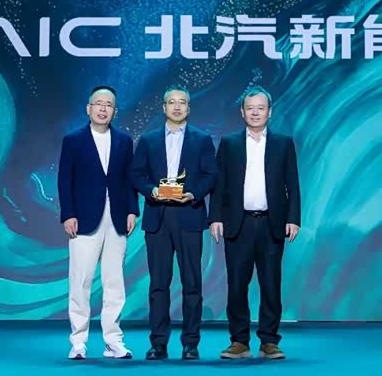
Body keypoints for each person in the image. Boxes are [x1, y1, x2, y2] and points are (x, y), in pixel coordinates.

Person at [208, 85, 301, 360]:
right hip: (239, 224)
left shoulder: (283, 143)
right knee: (237, 285)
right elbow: (219, 184)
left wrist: (293, 218)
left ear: (270, 112)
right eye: (250, 108)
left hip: (272, 223)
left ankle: (269, 341)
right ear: (242, 112)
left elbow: (293, 185)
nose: (256, 112)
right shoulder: (229, 143)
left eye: (261, 108)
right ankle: (239, 341)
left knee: (271, 284)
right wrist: (215, 217)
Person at [130, 85, 218, 360]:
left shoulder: (202, 139)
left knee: (192, 283)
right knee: (159, 284)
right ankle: (158, 343)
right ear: (164, 107)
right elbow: (136, 174)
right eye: (172, 102)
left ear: (188, 108)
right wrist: (152, 191)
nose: (177, 106)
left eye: (182, 102)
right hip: (158, 216)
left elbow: (211, 175)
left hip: (189, 214)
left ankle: (190, 343)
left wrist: (194, 193)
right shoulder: (149, 140)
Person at [57, 85, 139, 360]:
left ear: (115, 111)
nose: (103, 109)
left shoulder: (124, 141)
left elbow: (129, 179)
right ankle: (78, 342)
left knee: (114, 281)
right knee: (80, 281)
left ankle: (113, 341)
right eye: (98, 104)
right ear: (88, 108)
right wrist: (68, 214)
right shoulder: (73, 140)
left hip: (116, 218)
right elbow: (64, 180)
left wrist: (132, 210)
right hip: (83, 218)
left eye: (109, 105)